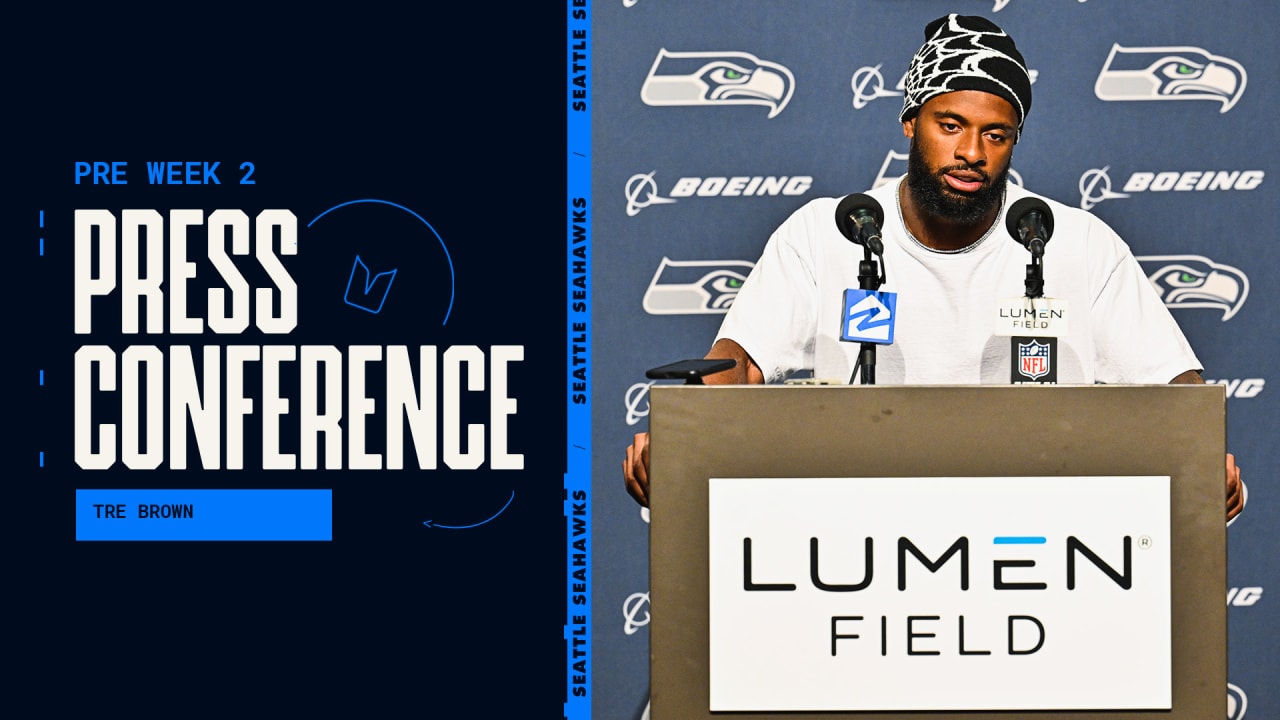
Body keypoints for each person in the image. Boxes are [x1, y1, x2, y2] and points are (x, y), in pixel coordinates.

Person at [623, 13, 1245, 520]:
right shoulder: (829, 233)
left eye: (996, 135)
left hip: (1034, 540)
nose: (972, 152)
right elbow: (741, 361)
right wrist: (687, 432)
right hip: (857, 533)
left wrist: (1201, 452)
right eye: (951, 125)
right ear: (910, 124)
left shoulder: (1074, 245)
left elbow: (1176, 388)